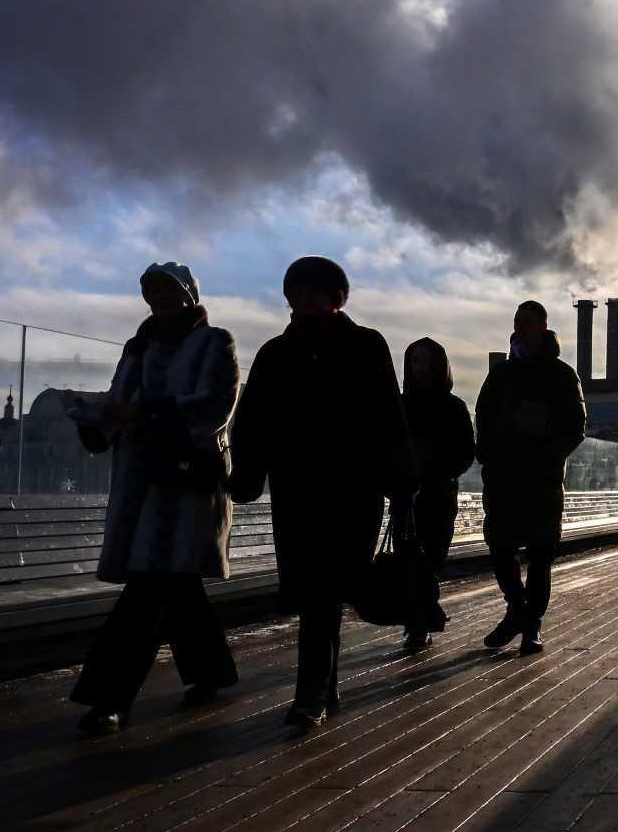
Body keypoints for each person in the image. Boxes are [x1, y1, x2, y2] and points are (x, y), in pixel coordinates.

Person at [229, 256, 413, 729]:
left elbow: (389, 416)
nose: (306, 298)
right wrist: (246, 475)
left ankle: (315, 691)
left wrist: (401, 485)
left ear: (336, 297)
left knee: (330, 584)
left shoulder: (367, 345)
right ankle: (315, 690)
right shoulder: (275, 353)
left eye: (316, 290)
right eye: (299, 290)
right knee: (317, 589)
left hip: (354, 488)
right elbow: (251, 422)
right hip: (299, 488)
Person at [67, 262, 240, 734]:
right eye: (152, 290)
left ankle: (108, 696)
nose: (158, 297)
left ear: (189, 294)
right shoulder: (136, 347)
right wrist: (93, 417)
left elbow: (215, 408)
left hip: (183, 485)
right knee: (177, 585)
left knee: (147, 588)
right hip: (139, 485)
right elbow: (119, 406)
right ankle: (211, 672)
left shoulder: (214, 342)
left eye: (168, 289)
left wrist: (138, 413)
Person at [475, 302, 586, 655]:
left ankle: (530, 624)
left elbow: (575, 427)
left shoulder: (562, 375)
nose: (520, 327)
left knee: (540, 554)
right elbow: (483, 416)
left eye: (526, 322)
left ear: (543, 326)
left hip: (542, 479)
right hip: (503, 478)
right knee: (500, 548)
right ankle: (517, 610)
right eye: (516, 322)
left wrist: (547, 454)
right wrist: (489, 456)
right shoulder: (501, 375)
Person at [391, 337, 475, 652]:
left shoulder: (454, 407)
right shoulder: (398, 405)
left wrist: (439, 470)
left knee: (431, 561)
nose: (421, 367)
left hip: (439, 496)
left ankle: (422, 619)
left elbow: (467, 452)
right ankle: (419, 624)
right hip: (405, 499)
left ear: (439, 365)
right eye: (415, 360)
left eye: (426, 361)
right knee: (410, 561)